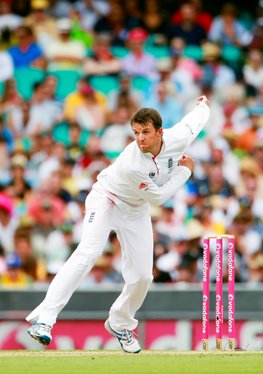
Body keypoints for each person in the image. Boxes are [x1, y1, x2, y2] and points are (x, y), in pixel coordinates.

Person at [26, 95, 210, 353]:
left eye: (146, 132)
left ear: (159, 132)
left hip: (135, 209)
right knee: (87, 253)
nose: (140, 139)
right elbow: (157, 197)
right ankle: (44, 320)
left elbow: (195, 122)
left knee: (144, 276)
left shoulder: (177, 138)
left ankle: (120, 323)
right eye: (136, 132)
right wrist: (185, 172)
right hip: (107, 198)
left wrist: (203, 105)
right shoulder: (131, 163)